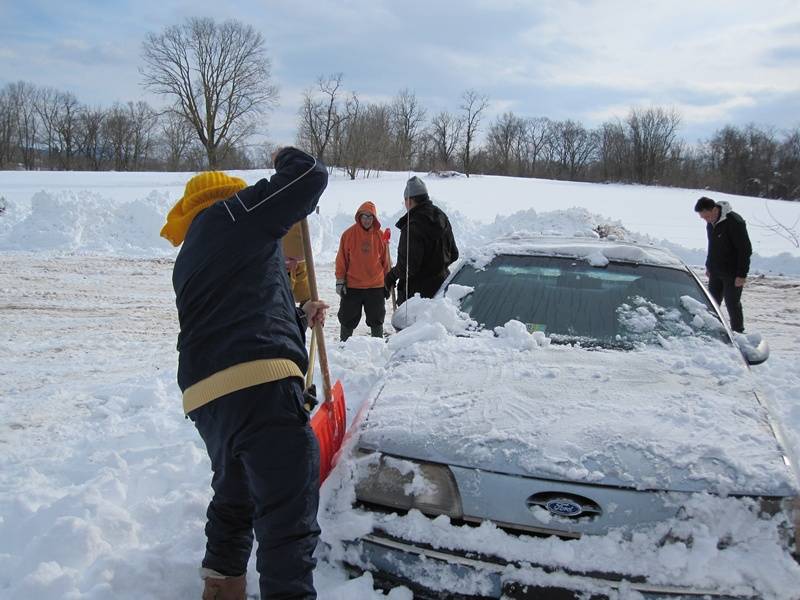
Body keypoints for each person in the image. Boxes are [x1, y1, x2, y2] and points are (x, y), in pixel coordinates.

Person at [160, 147, 329, 600]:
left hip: (208, 397)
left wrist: (299, 317)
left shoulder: (193, 256)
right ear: (230, 196)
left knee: (235, 498)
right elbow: (309, 175)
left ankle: (221, 589)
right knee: (287, 521)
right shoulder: (234, 214)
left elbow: (243, 315)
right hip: (260, 388)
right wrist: (283, 155)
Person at [384, 176, 459, 304]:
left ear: (410, 200)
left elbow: (408, 267)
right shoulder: (441, 217)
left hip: (417, 298)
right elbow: (454, 254)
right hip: (442, 291)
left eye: (405, 200)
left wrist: (391, 276)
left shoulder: (412, 226)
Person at [694, 196, 752, 333]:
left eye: (706, 216)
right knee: (711, 303)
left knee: (732, 304)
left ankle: (738, 332)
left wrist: (741, 274)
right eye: (703, 218)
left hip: (732, 273)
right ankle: (709, 330)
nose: (705, 220)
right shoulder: (711, 223)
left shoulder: (734, 222)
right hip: (716, 271)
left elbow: (745, 249)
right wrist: (709, 266)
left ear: (714, 209)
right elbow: (712, 246)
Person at [334, 201, 390, 341]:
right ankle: (343, 345)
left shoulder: (380, 236)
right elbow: (341, 260)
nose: (367, 220)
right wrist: (340, 281)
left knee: (377, 319)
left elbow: (386, 261)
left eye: (370, 217)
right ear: (359, 217)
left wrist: (388, 282)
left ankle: (378, 345)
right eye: (364, 216)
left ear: (374, 218)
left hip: (375, 286)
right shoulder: (348, 235)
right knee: (347, 318)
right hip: (353, 286)